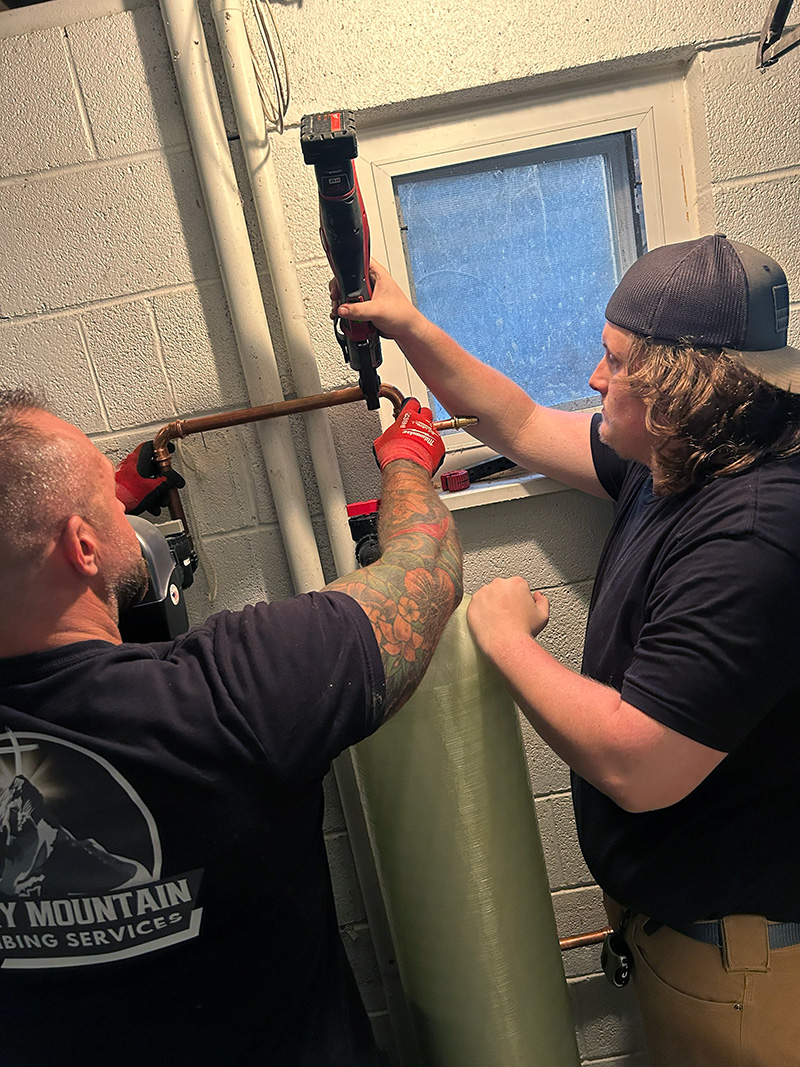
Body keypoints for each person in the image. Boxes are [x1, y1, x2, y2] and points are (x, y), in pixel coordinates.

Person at [335, 234, 800, 1067]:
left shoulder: (751, 534)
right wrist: (408, 325)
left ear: (680, 388)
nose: (594, 378)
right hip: (687, 933)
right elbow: (515, 420)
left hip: (742, 966)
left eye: (614, 362)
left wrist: (504, 636)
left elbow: (639, 764)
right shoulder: (681, 461)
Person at [0, 388, 462, 1067]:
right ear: (83, 545)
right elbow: (424, 573)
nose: (120, 497)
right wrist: (407, 462)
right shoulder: (233, 689)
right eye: (108, 490)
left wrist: (106, 491)